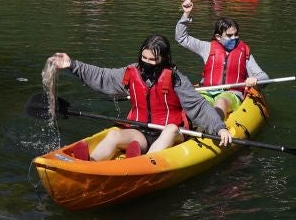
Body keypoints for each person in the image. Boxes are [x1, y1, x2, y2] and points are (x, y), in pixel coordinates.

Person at [47, 34, 231, 161]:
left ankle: (142, 163)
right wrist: (73, 65)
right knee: (114, 135)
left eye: (153, 60)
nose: (147, 63)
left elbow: (198, 106)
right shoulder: (131, 72)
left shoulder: (176, 79)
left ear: (164, 59)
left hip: (171, 135)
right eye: (144, 58)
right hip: (141, 131)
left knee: (171, 129)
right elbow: (103, 77)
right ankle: (90, 161)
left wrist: (219, 128)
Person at [175, 0, 268, 119]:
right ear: (218, 37)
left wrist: (255, 79)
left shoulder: (244, 52)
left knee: (221, 102)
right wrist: (186, 14)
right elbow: (181, 38)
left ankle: (216, 128)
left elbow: (264, 77)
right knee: (194, 104)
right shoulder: (206, 47)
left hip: (231, 94)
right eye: (229, 35)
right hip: (207, 91)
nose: (234, 38)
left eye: (236, 34)